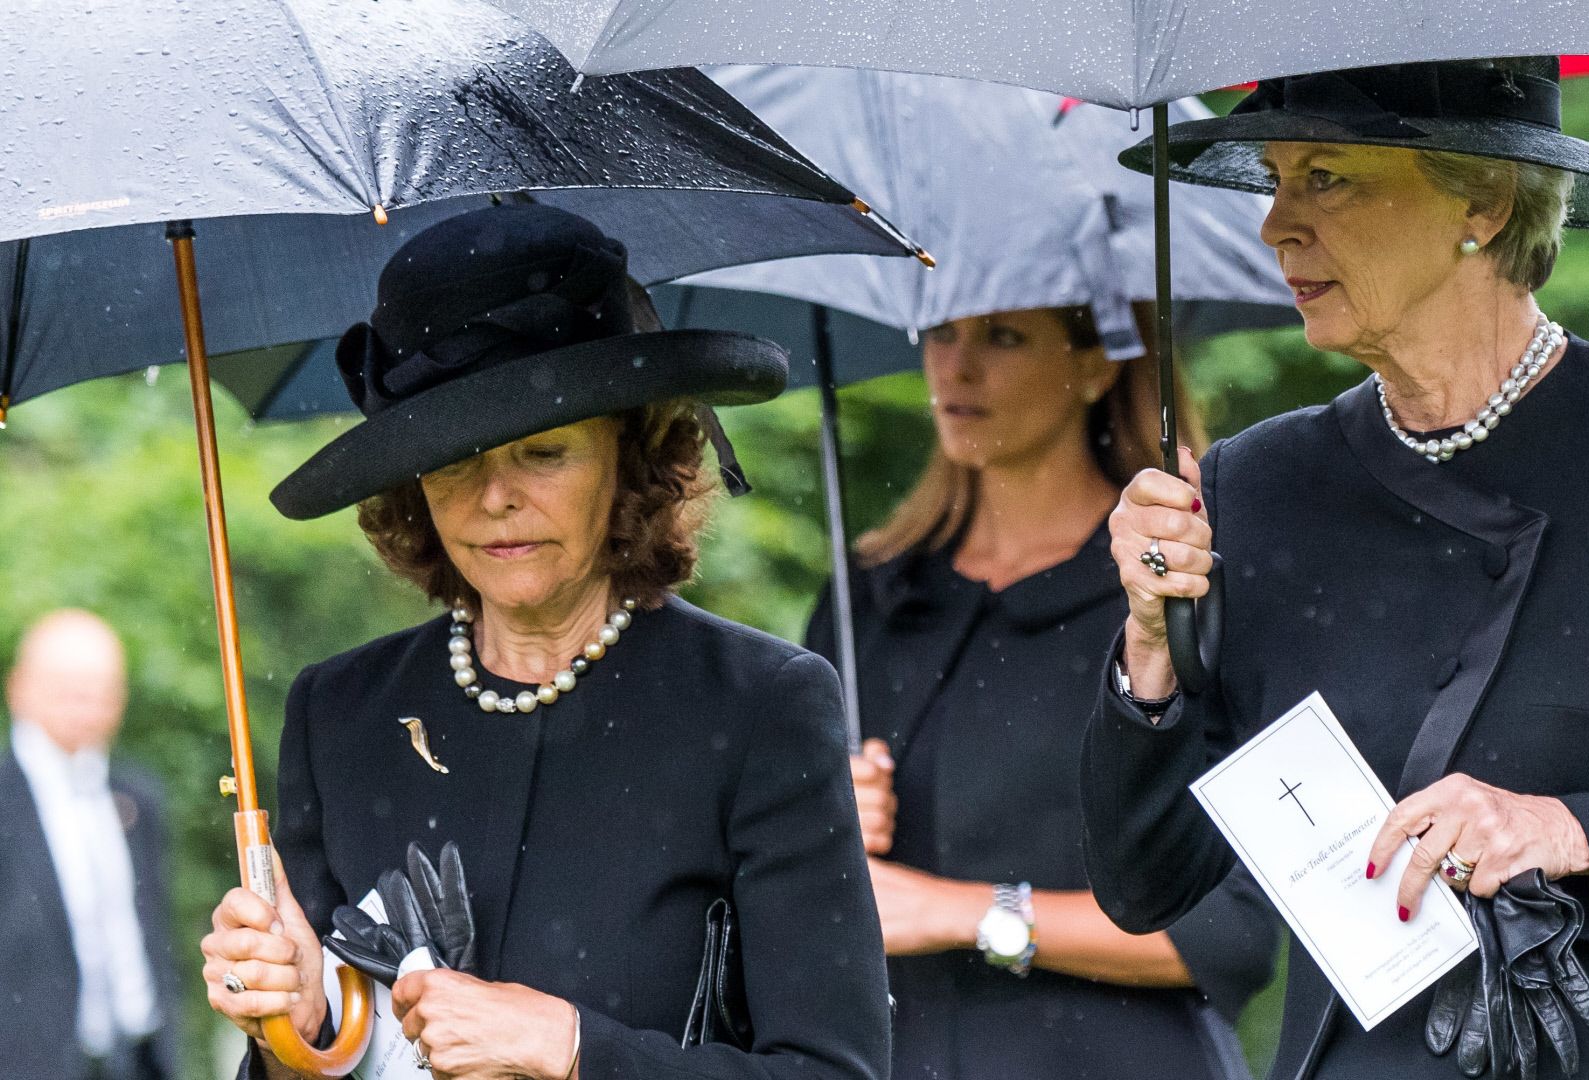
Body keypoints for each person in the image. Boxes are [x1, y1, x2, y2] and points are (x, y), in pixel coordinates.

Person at [1083, 58, 1589, 1080]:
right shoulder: (1260, 483)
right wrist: (1150, 652)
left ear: (1484, 196)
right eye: (1278, 178)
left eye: (1326, 177)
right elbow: (1147, 882)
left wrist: (1564, 830)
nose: (1276, 226)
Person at [198, 204, 889, 1080]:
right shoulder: (339, 712)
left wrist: (570, 1048)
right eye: (452, 459)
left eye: (542, 451)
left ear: (630, 453)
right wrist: (301, 1026)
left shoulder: (759, 704)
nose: (495, 498)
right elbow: (323, 1060)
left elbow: (835, 1071)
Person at [805, 304, 1279, 1080]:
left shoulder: (1173, 596)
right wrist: (817, 819)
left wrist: (965, 913)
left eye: (1004, 336)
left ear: (1097, 365)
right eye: (940, 333)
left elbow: (1232, 931)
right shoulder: (870, 600)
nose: (955, 368)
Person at [0, 609, 177, 1080]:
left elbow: (153, 930)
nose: (88, 707)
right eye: (70, 690)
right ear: (18, 688)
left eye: (103, 691)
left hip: (139, 1057)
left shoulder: (137, 797)